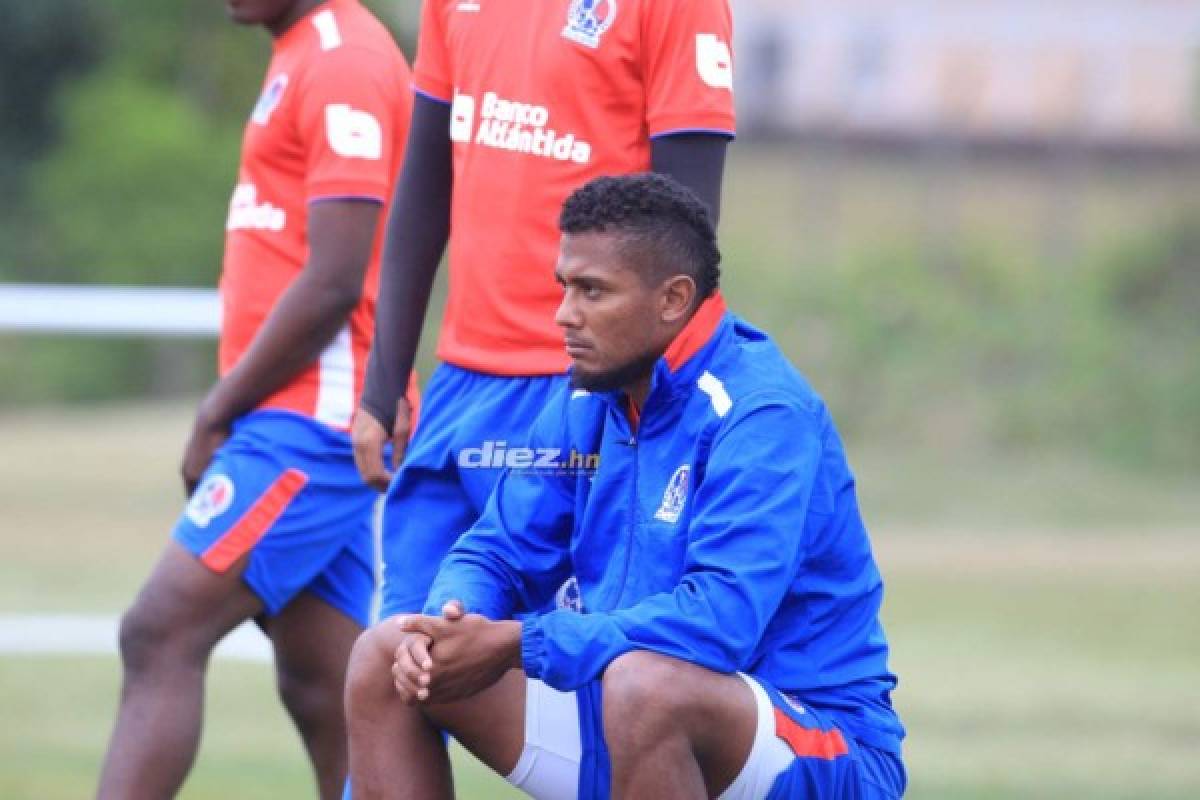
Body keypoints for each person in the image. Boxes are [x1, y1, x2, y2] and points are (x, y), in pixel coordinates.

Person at [347, 174, 907, 799]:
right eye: (564, 287)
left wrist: (516, 643)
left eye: (592, 291)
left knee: (647, 688)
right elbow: (498, 549)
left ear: (672, 299)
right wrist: (453, 620)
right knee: (387, 656)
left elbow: (717, 624)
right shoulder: (588, 397)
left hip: (816, 746)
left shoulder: (761, 413)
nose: (564, 315)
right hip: (634, 714)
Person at [96, 2, 412, 798]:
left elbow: (336, 280)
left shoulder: (345, 59)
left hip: (311, 420)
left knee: (158, 633)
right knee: (327, 688)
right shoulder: (299, 51)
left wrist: (216, 410)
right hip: (303, 415)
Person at [349, 0, 738, 640]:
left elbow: (686, 237)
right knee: (398, 668)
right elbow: (422, 189)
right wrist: (382, 385)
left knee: (579, 688)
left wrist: (644, 412)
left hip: (586, 397)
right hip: (459, 391)